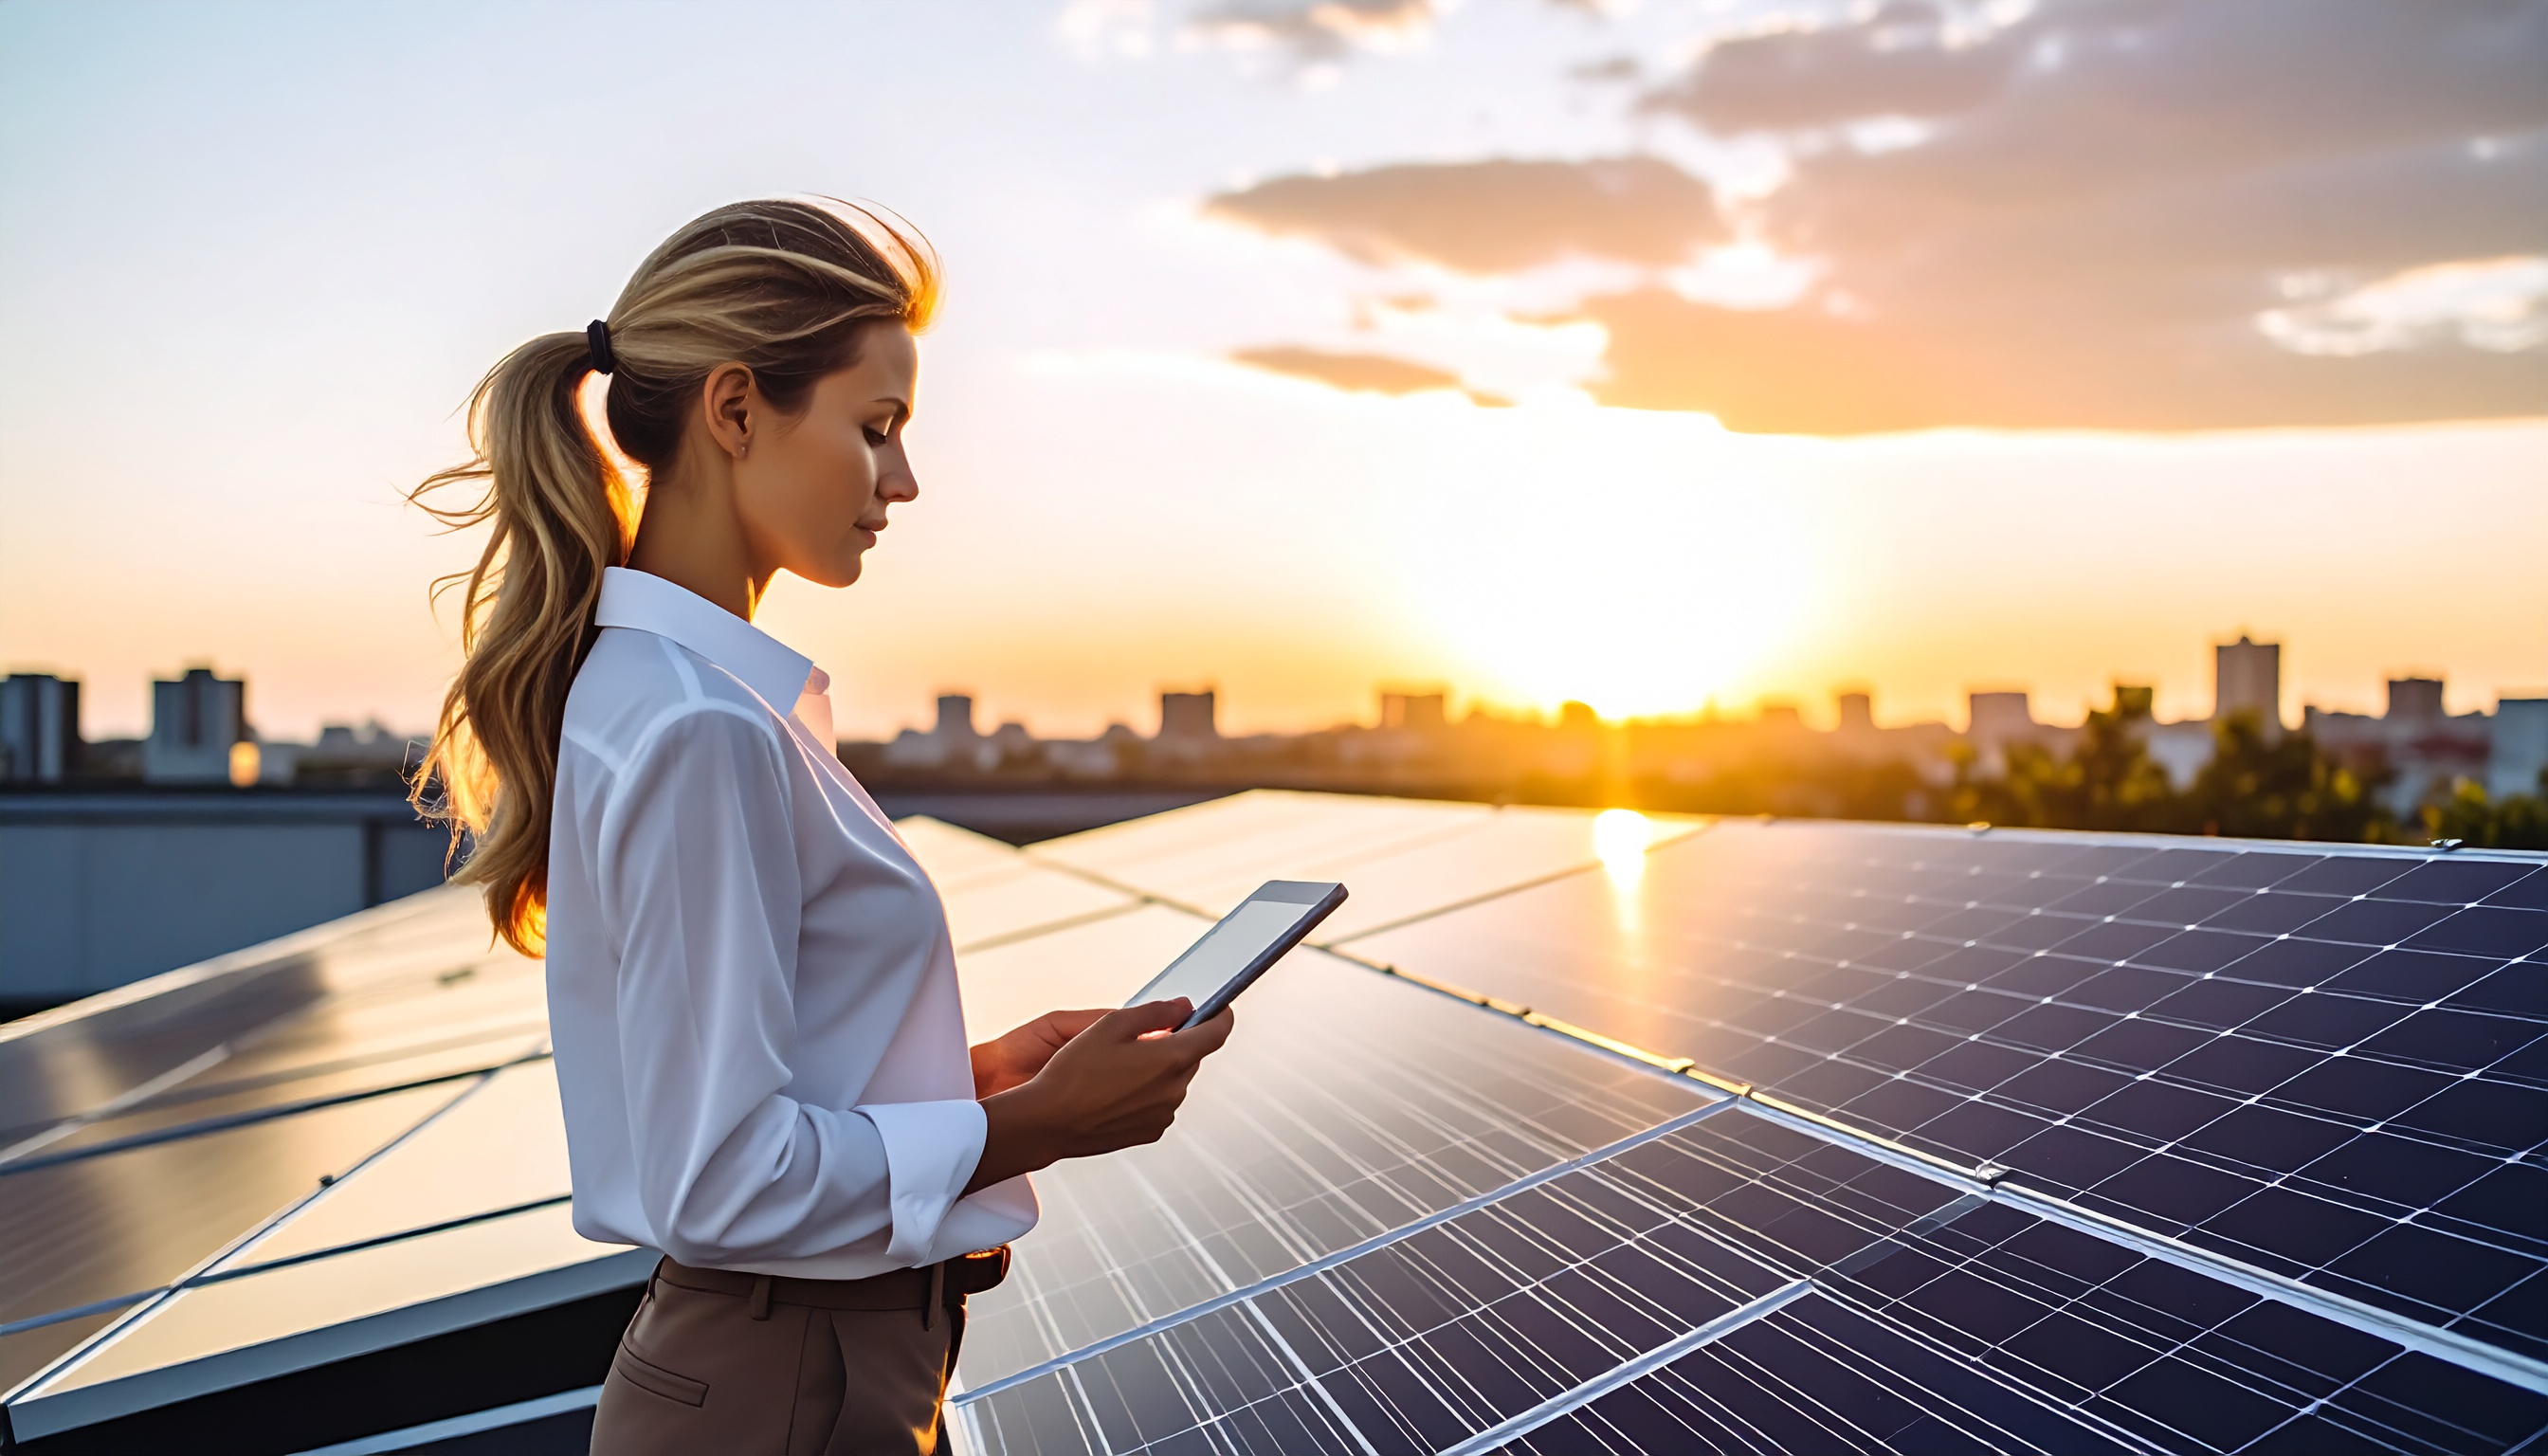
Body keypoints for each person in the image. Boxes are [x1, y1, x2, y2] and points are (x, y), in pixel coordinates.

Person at [411, 198, 1234, 1454]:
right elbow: (724, 1178)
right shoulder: (705, 729)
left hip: (803, 1376)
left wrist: (979, 1080)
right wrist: (1041, 1126)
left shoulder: (697, 701)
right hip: (785, 1389)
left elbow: (741, 1106)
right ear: (735, 411)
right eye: (876, 429)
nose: (902, 482)